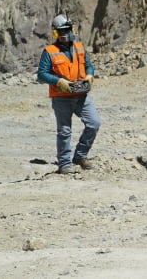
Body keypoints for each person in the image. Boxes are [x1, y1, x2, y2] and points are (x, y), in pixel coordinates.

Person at [36, 14, 101, 175]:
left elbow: (88, 65)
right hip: (62, 97)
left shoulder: (79, 47)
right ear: (56, 33)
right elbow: (41, 74)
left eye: (66, 30)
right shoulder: (50, 52)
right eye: (60, 32)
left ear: (72, 30)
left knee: (94, 123)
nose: (64, 34)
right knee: (64, 131)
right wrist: (58, 82)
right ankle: (64, 164)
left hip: (81, 95)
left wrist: (89, 75)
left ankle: (80, 156)